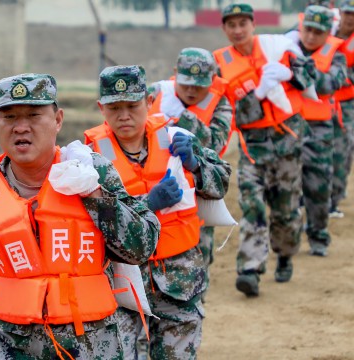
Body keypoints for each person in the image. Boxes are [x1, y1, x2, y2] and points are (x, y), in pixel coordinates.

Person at [0, 73, 161, 360]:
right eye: (9, 117)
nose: (20, 127)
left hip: (91, 344)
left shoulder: (90, 171)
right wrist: (16, 301)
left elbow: (142, 246)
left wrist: (95, 196)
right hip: (11, 345)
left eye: (34, 115)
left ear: (58, 120)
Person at [84, 65, 231, 359]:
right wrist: (147, 204)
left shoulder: (178, 137)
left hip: (180, 279)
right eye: (114, 107)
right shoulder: (88, 159)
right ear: (102, 108)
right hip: (121, 282)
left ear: (149, 102)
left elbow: (221, 183)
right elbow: (86, 220)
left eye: (132, 106)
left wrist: (196, 165)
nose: (124, 115)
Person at [213, 3, 313, 296]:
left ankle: (284, 254)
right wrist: (257, 93)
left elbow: (310, 79)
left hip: (287, 142)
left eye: (243, 23)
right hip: (252, 145)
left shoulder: (279, 47)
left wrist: (288, 75)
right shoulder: (220, 63)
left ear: (253, 25)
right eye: (231, 25)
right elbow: (224, 107)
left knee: (285, 208)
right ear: (224, 29)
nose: (238, 30)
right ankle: (250, 269)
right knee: (252, 205)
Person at [148, 47, 233, 298]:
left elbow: (216, 142)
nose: (192, 90)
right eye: (186, 83)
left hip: (197, 189)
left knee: (197, 256)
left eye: (200, 84)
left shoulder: (221, 103)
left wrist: (181, 117)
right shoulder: (153, 94)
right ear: (175, 74)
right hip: (152, 187)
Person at [297, 5, 348, 256]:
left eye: (318, 32)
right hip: (287, 126)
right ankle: (288, 236)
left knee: (318, 185)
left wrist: (306, 69)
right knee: (284, 187)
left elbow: (329, 84)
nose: (310, 36)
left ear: (328, 32)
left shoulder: (335, 55)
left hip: (319, 129)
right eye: (308, 29)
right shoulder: (285, 47)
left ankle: (318, 235)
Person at [330, 0, 354, 218]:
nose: (350, 18)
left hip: (347, 105)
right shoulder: (325, 32)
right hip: (320, 101)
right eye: (347, 13)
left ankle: (334, 199)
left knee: (343, 151)